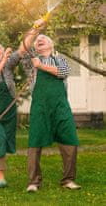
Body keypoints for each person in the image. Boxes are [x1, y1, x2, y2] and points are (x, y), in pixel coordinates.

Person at [0, 19, 45, 188]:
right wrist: (4, 60)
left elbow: (23, 47)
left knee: (4, 142)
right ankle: (0, 176)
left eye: (0, 48)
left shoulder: (8, 64)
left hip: (8, 111)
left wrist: (35, 28)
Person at [21, 34, 81, 192]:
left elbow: (63, 72)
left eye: (43, 38)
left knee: (70, 140)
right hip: (40, 107)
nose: (39, 40)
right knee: (34, 142)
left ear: (51, 44)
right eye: (37, 40)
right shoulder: (30, 60)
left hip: (60, 106)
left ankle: (68, 180)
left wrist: (41, 66)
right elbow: (24, 46)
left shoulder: (59, 59)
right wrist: (35, 29)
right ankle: (34, 182)